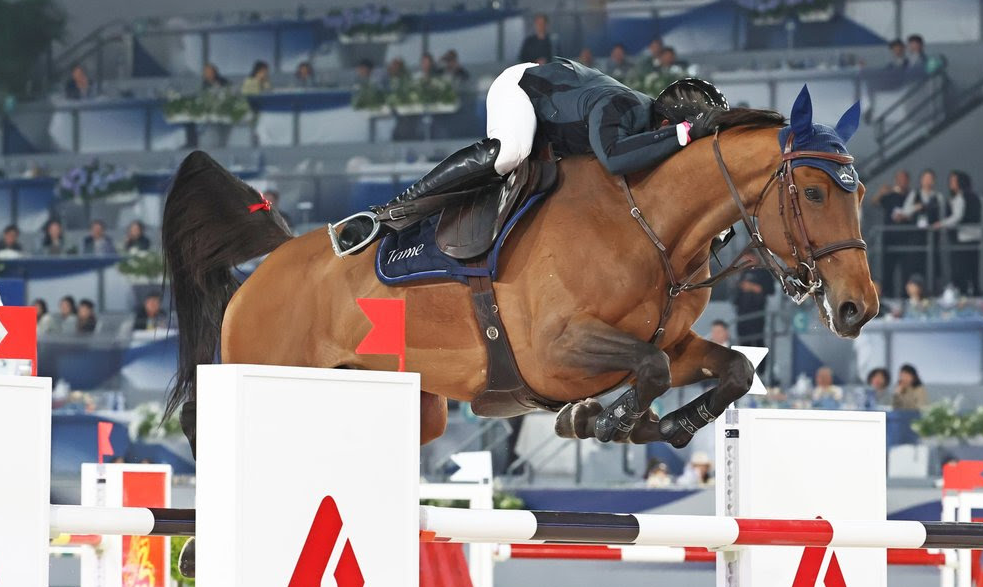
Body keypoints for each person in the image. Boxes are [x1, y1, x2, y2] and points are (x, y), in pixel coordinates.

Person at [330, 59, 740, 254]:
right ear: (669, 124)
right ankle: (387, 216)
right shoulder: (619, 108)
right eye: (679, 134)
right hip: (524, 88)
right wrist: (688, 134)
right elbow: (615, 159)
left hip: (563, 109)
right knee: (511, 153)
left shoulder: (653, 126)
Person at [932, 170, 983, 295]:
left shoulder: (961, 197)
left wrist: (941, 224)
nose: (951, 184)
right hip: (976, 236)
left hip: (963, 237)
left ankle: (963, 291)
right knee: (974, 268)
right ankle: (975, 290)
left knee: (961, 268)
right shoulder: (976, 197)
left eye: (953, 181)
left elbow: (957, 217)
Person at [872, 169, 911, 295]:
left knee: (906, 270)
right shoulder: (890, 195)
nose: (902, 182)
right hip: (889, 238)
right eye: (899, 179)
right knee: (888, 270)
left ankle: (906, 296)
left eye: (904, 179)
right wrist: (881, 192)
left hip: (906, 239)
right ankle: (888, 295)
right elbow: (875, 202)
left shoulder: (911, 196)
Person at [733, 266, 775, 368]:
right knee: (743, 342)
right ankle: (744, 369)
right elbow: (736, 295)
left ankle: (761, 370)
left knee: (758, 341)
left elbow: (770, 290)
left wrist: (752, 287)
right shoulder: (743, 272)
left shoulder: (764, 273)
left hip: (758, 314)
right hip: (742, 315)